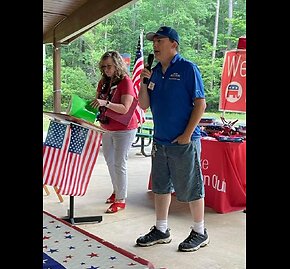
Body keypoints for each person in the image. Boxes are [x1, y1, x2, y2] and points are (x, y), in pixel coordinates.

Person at [135, 26, 209, 252]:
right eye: (154, 42)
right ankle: (161, 229)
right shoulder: (154, 71)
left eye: (160, 41)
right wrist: (144, 83)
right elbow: (144, 105)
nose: (155, 45)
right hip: (160, 141)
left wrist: (186, 135)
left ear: (174, 44)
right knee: (160, 187)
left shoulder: (187, 69)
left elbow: (200, 104)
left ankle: (199, 231)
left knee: (192, 187)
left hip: (183, 141)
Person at [89, 50, 139, 214]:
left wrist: (107, 103)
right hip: (107, 127)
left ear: (117, 64)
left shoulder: (125, 81)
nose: (106, 70)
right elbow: (98, 103)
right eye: (103, 67)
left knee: (119, 163)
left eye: (109, 66)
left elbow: (125, 108)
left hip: (124, 128)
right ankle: (116, 191)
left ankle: (121, 199)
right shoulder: (103, 82)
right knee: (110, 162)